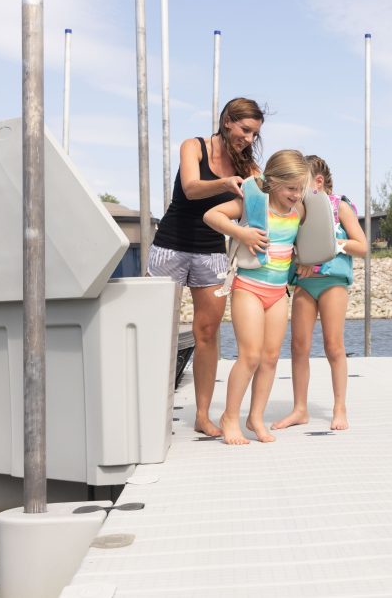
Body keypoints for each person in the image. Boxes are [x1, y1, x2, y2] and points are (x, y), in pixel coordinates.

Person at [147, 97, 264, 438]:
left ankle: (201, 415)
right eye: (245, 130)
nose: (248, 138)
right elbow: (191, 187)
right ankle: (151, 409)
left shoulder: (249, 168)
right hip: (169, 248)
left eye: (254, 134)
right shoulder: (193, 146)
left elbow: (262, 199)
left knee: (207, 334)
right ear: (227, 121)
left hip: (212, 254)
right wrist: (226, 183)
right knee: (158, 333)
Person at [203, 149, 309, 445]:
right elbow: (211, 215)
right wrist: (243, 234)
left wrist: (303, 260)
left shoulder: (298, 210)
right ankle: (229, 417)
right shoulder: (252, 206)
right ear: (272, 182)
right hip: (248, 287)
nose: (296, 194)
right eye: (290, 188)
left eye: (300, 188)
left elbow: (297, 244)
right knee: (249, 355)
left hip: (277, 293)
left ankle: (256, 417)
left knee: (270, 358)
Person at [271, 155, 369, 432]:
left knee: (333, 345)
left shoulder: (341, 207)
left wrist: (338, 244)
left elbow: (363, 247)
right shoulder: (297, 209)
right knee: (298, 346)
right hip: (305, 283)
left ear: (318, 181)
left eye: (300, 185)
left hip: (332, 283)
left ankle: (340, 407)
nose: (296, 191)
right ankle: (300, 408)